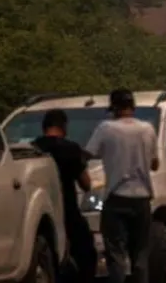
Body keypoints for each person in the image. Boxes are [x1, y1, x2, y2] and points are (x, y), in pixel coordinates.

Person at [86, 89, 159, 283]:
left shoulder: (106, 128)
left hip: (116, 197)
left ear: (114, 109)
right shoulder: (148, 129)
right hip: (142, 198)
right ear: (132, 107)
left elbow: (88, 154)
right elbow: (155, 163)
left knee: (116, 254)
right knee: (140, 255)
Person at [33, 109, 97, 283]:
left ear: (44, 127)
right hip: (68, 211)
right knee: (86, 255)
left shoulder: (34, 149)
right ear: (64, 126)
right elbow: (86, 183)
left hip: (42, 216)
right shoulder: (71, 149)